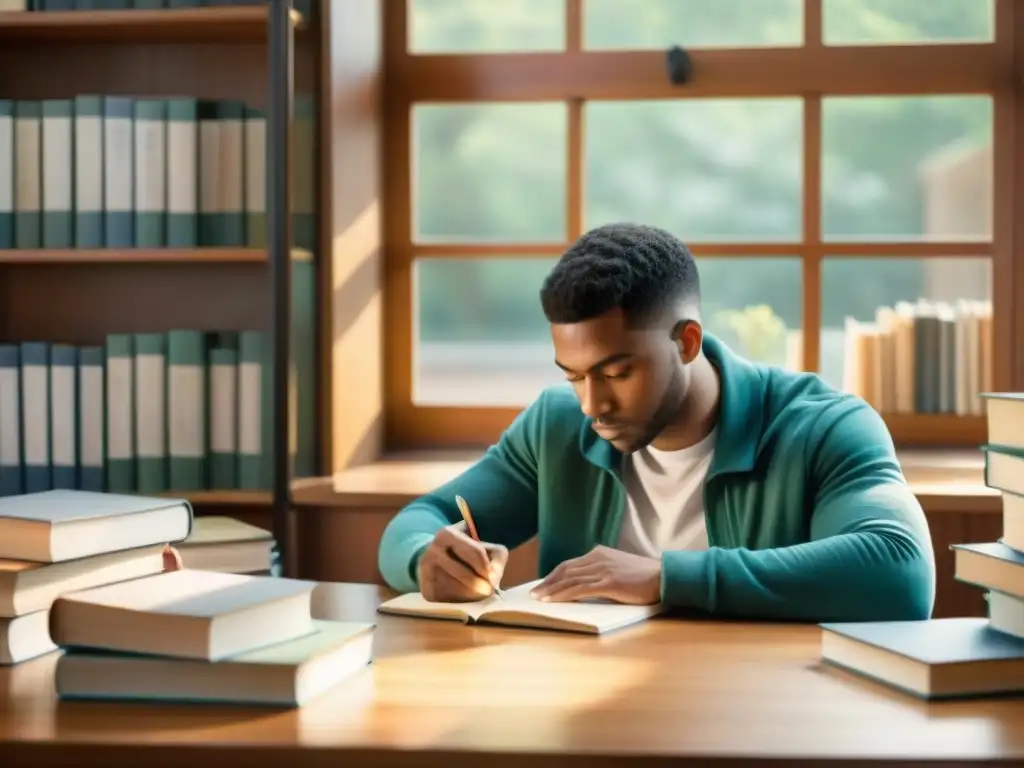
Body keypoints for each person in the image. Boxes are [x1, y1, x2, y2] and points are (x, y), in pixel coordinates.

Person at [378, 223, 935, 622]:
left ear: (686, 341)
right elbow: (418, 519)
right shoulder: (556, 425)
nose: (593, 404)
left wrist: (666, 577)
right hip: (589, 717)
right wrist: (425, 557)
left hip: (764, 720)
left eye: (617, 372)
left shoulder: (824, 428)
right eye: (574, 376)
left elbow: (900, 569)